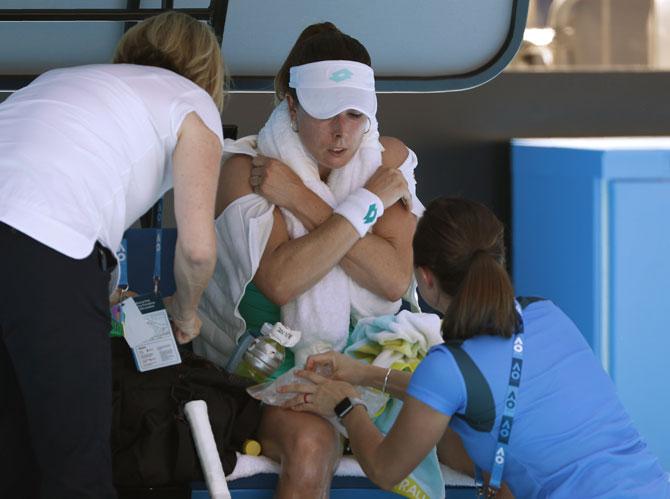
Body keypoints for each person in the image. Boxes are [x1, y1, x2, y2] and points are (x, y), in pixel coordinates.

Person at [282, 197, 670, 498]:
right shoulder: (546, 314)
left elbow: (385, 469)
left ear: (424, 279)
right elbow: (468, 393)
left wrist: (347, 404)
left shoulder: (450, 368)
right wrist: (364, 373)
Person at [0, 12, 224, 498]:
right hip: (44, 251)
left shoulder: (63, 80)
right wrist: (185, 314)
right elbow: (198, 249)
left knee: (13, 457)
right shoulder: (192, 102)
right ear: (209, 73)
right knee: (76, 469)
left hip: (36, 248)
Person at [195, 22, 423, 498]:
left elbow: (394, 280)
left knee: (484, 423)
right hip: (259, 373)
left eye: (356, 114)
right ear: (291, 105)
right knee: (312, 442)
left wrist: (301, 197)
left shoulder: (387, 163)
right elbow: (282, 280)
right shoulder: (244, 167)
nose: (342, 132)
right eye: (324, 113)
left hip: (366, 363)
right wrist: (366, 208)